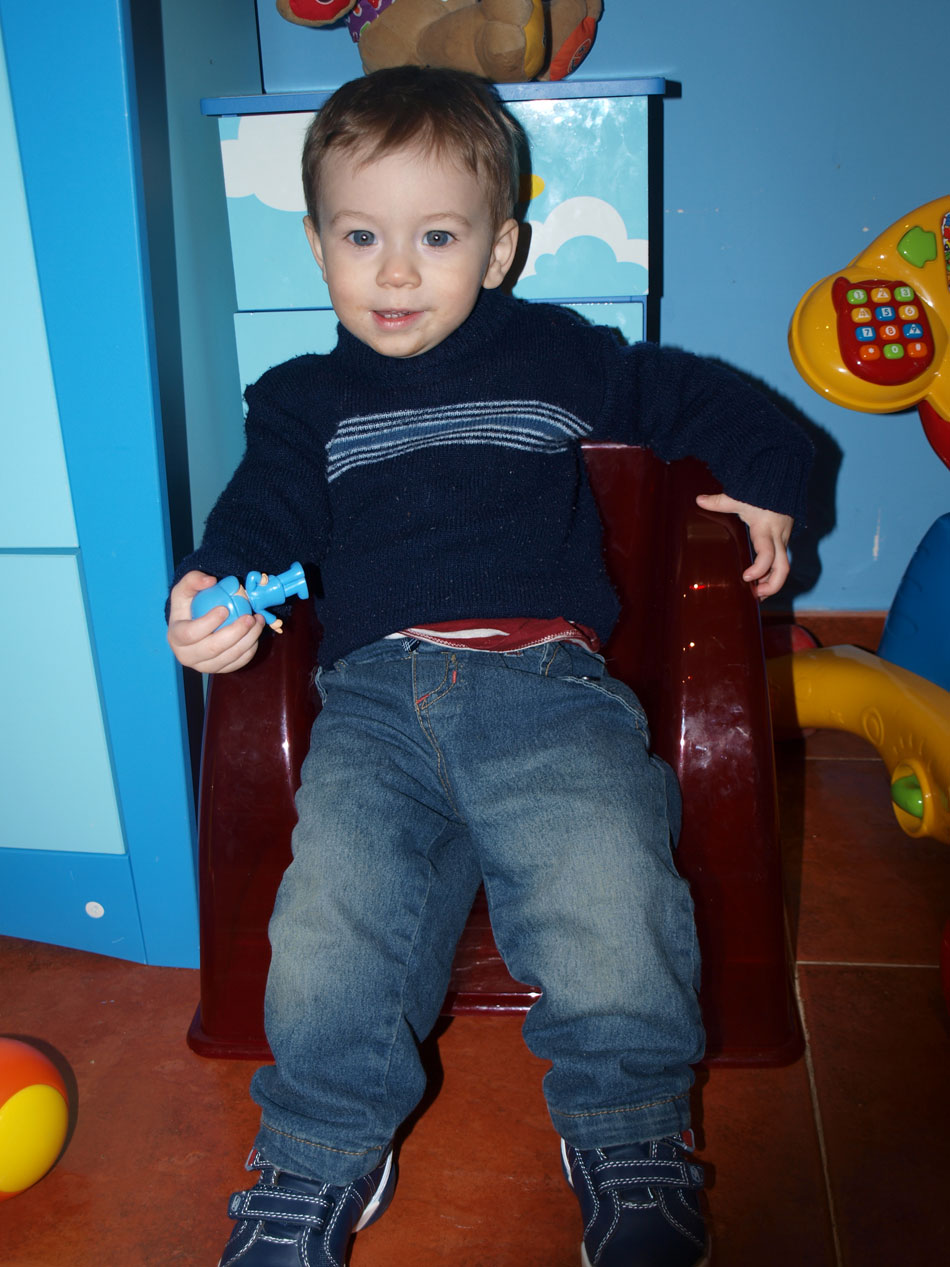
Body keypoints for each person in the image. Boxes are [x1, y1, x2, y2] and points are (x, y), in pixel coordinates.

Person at [167, 66, 811, 1267]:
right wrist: (211, 583)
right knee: (331, 920)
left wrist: (767, 474)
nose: (394, 272)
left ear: (500, 249)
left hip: (543, 689)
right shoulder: (302, 399)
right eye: (360, 236)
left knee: (607, 886)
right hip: (372, 704)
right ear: (315, 246)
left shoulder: (552, 354)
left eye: (436, 237)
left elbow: (693, 394)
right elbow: (261, 513)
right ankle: (316, 1156)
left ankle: (624, 1132)